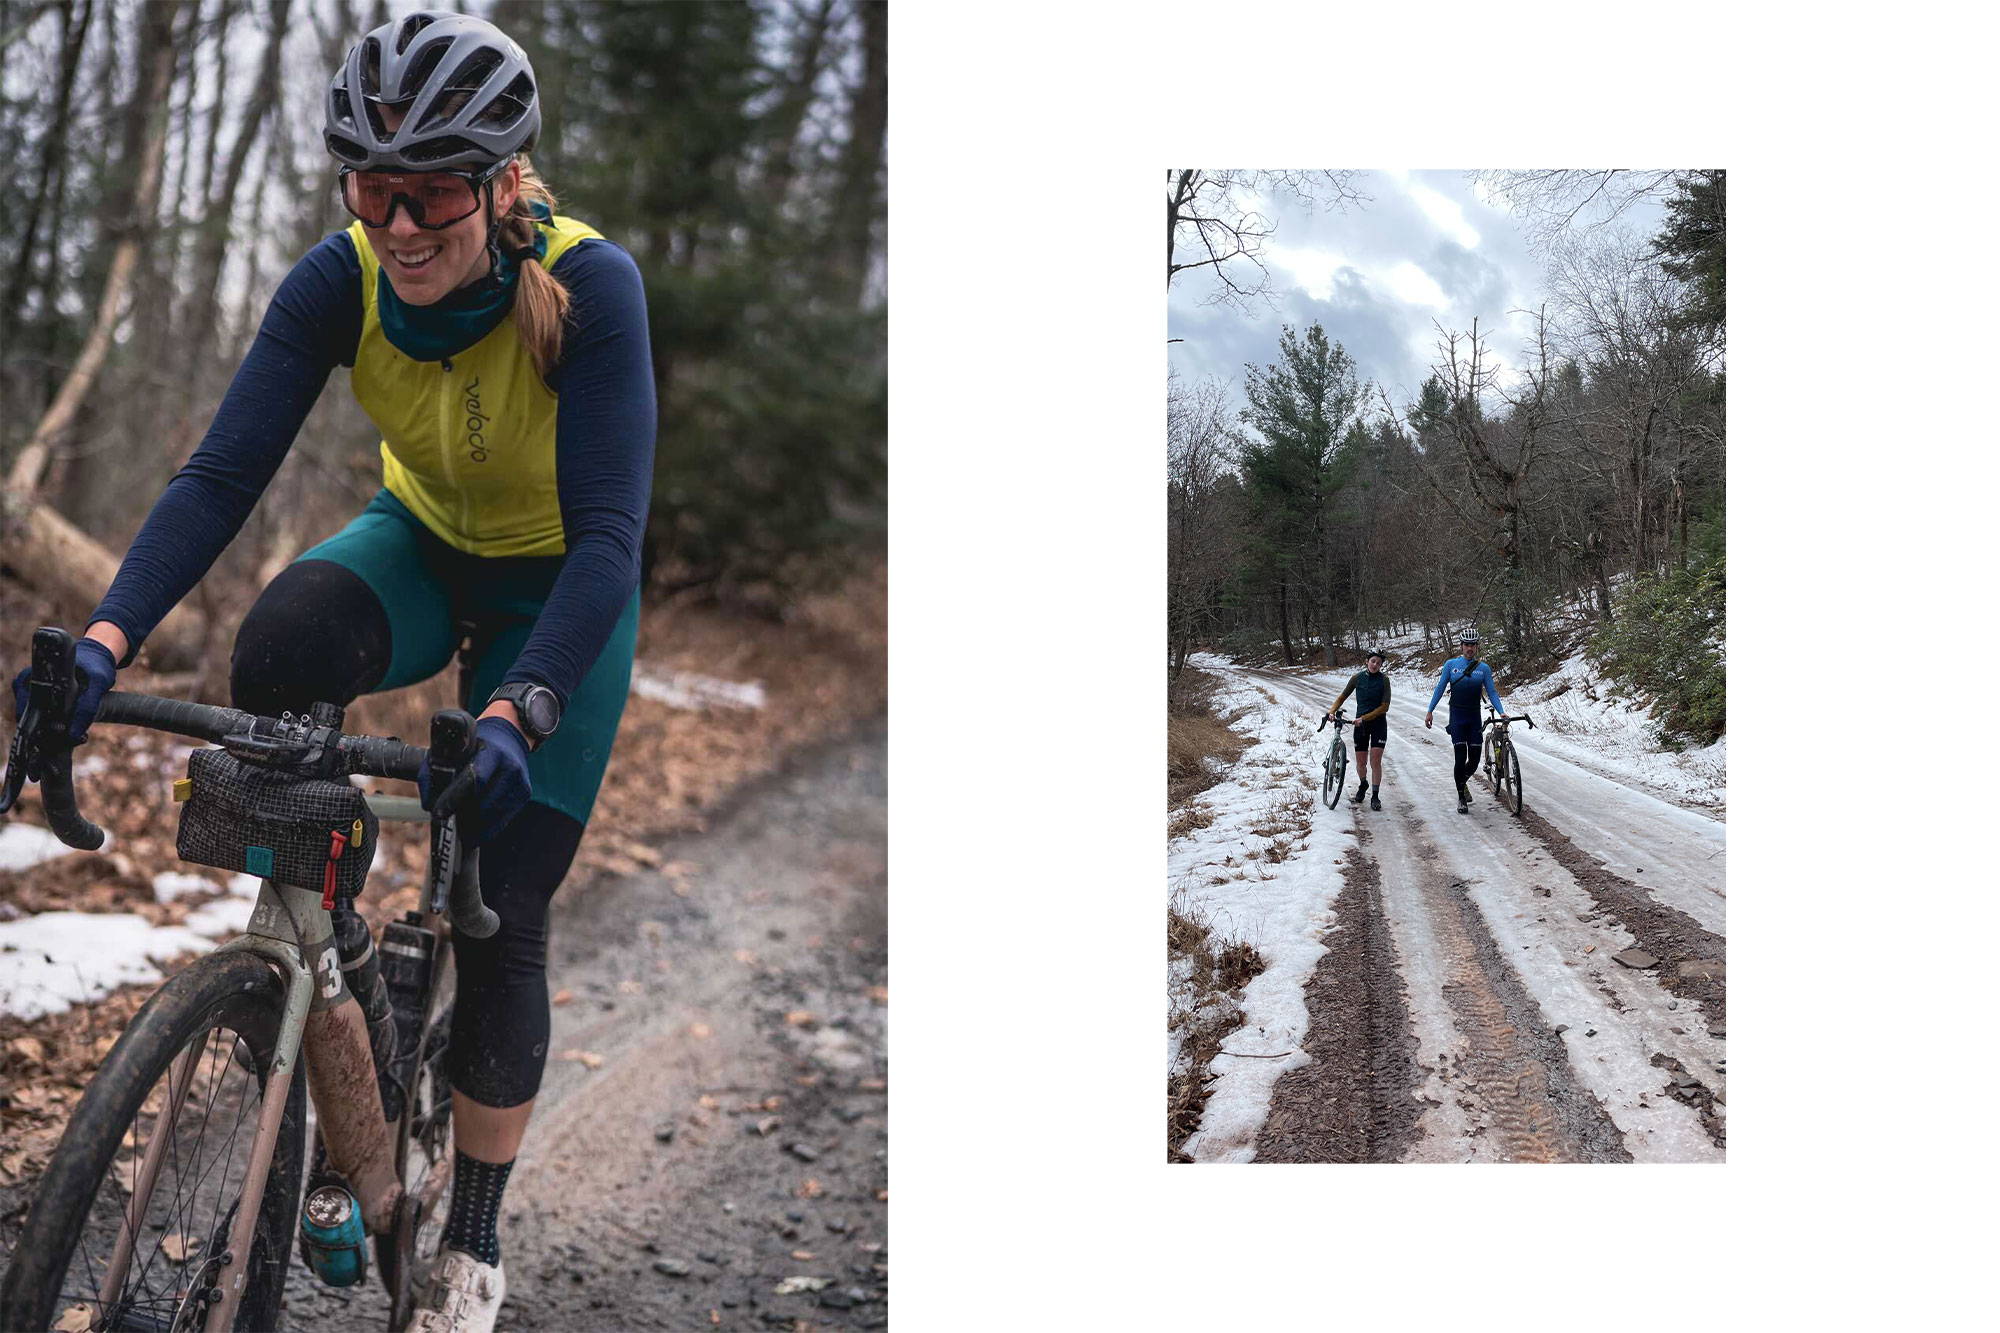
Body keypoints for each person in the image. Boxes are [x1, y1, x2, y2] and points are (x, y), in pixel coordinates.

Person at [9, 12, 654, 1330]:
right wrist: (100, 644)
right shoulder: (340, 278)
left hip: (557, 588)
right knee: (281, 649)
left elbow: (607, 539)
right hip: (420, 544)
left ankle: (467, 1238)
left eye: (427, 193)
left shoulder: (594, 293)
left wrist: (520, 709)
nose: (397, 225)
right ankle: (331, 964)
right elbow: (219, 479)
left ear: (502, 182)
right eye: (369, 188)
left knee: (509, 904)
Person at [1425, 630, 1506, 814]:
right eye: (1466, 645)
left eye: (1473, 645)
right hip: (1457, 716)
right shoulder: (1451, 665)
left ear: (1477, 646)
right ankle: (1461, 797)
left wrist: (1501, 712)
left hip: (1473, 716)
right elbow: (1440, 688)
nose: (1469, 648)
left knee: (1475, 760)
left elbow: (1491, 692)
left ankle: (1461, 781)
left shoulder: (1483, 668)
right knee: (1460, 758)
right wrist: (1430, 711)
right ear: (1461, 646)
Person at [1326, 649, 1391, 810]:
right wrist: (1332, 710)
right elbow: (1342, 697)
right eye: (1373, 661)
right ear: (1367, 662)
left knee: (1375, 761)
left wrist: (1365, 718)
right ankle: (1363, 784)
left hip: (1378, 724)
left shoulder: (1384, 680)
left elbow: (1385, 706)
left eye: (1379, 663)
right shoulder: (1357, 678)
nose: (1375, 665)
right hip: (1360, 725)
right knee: (1361, 763)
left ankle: (1375, 796)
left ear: (1381, 665)